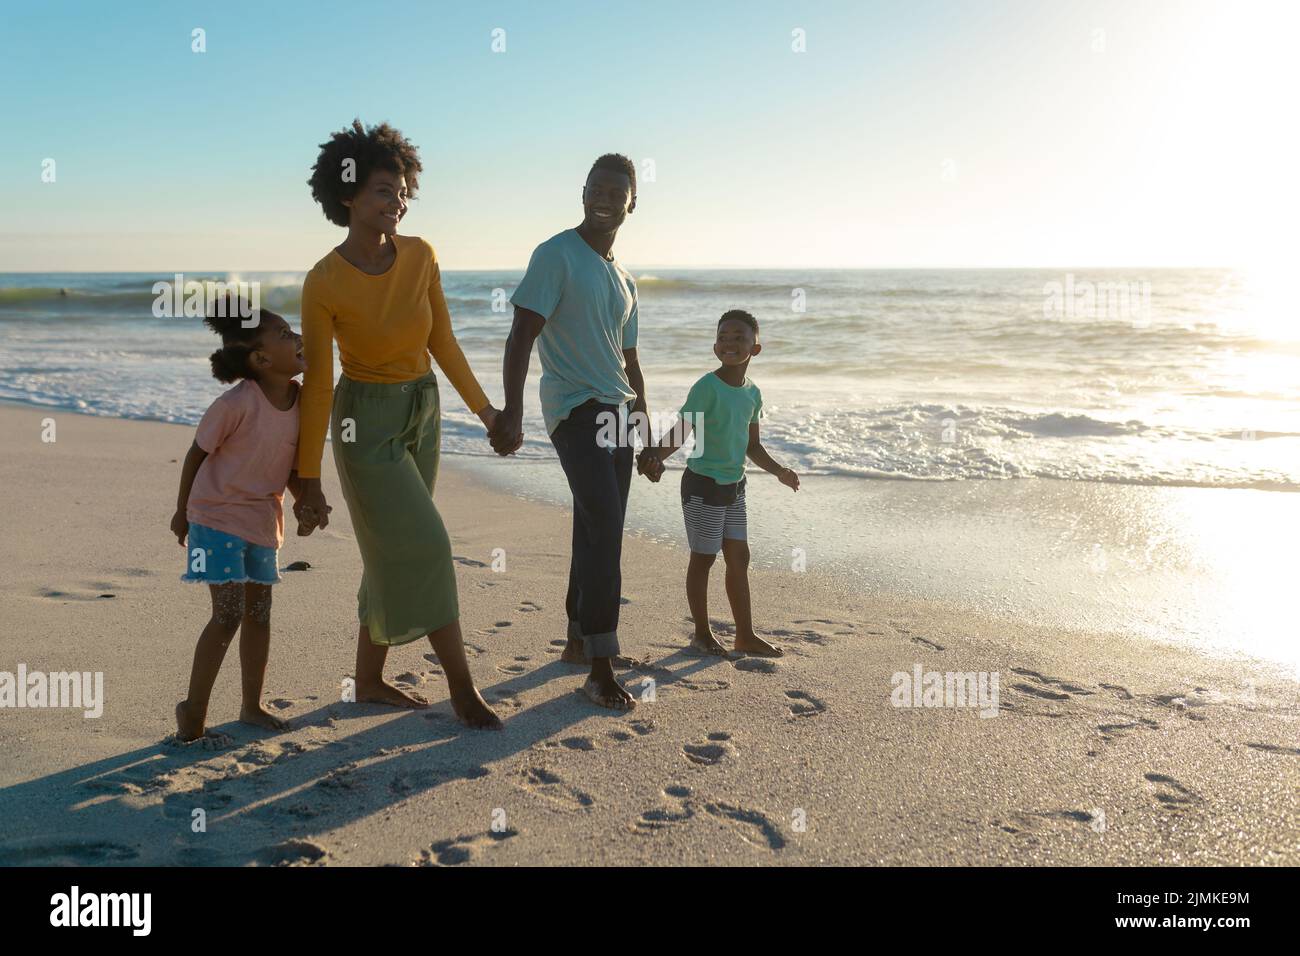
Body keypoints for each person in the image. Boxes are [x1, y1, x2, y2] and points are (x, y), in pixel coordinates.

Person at [292, 119, 502, 729]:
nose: (399, 200)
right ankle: (463, 689)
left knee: (391, 552)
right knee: (428, 545)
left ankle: (367, 679)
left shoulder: (422, 256)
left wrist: (486, 412)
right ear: (348, 195)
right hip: (364, 424)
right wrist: (308, 477)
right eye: (385, 190)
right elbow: (321, 384)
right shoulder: (323, 281)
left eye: (404, 189)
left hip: (423, 411)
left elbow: (443, 340)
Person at [490, 153, 655, 710]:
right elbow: (520, 336)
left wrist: (646, 431)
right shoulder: (556, 253)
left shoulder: (625, 278)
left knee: (595, 524)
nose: (606, 198)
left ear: (634, 202)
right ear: (583, 192)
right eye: (597, 188)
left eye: (618, 191)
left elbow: (630, 362)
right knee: (605, 526)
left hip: (616, 412)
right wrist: (511, 412)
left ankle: (578, 641)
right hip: (573, 408)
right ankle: (601, 667)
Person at [170, 303, 306, 745]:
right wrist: (180, 511)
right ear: (261, 359)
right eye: (285, 334)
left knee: (260, 614)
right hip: (214, 516)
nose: (298, 336)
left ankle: (251, 705)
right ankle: (195, 708)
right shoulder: (235, 403)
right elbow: (197, 453)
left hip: (263, 519)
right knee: (227, 615)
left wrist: (308, 501)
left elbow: (286, 464)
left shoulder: (302, 401)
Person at [639, 310, 799, 656]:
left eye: (739, 337)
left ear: (755, 348)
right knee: (704, 559)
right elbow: (683, 430)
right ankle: (701, 633)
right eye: (723, 337)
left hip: (734, 487)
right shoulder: (706, 387)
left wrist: (779, 471)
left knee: (739, 557)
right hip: (703, 486)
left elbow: (752, 445)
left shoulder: (753, 394)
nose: (730, 343)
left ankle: (745, 635)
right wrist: (656, 458)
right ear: (715, 347)